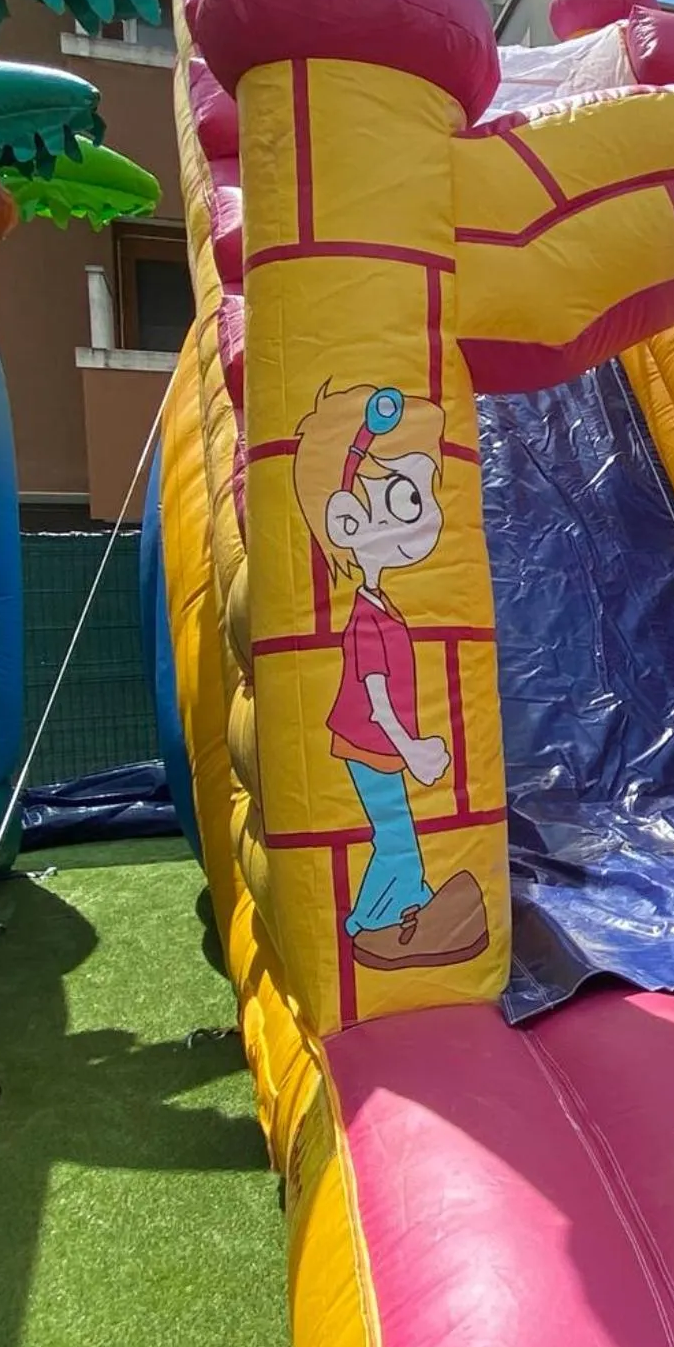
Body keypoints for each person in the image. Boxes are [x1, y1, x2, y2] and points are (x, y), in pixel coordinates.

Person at [291, 382, 488, 970]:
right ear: (348, 521)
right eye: (407, 499)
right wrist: (414, 750)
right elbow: (376, 700)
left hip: (374, 743)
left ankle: (408, 905)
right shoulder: (366, 621)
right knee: (395, 833)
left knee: (398, 829)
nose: (429, 517)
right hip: (368, 742)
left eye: (425, 496)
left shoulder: (383, 606)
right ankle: (372, 923)